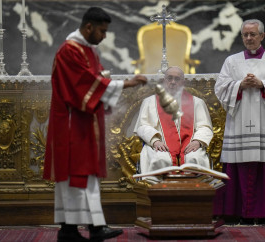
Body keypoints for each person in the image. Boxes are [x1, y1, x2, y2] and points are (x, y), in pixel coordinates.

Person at [43, 7, 147, 242]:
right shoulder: (68, 51)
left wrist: (114, 85)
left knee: (86, 176)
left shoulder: (87, 51)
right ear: (88, 27)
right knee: (75, 176)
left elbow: (96, 81)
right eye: (102, 30)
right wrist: (126, 84)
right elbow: (84, 84)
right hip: (72, 125)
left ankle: (87, 227)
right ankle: (73, 229)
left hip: (85, 123)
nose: (105, 36)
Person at [213, 19, 265, 225]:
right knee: (239, 167)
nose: (249, 38)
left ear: (262, 36)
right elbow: (220, 87)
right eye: (245, 35)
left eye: (253, 34)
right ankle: (241, 213)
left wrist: (262, 84)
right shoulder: (231, 61)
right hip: (239, 123)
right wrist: (239, 85)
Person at [134, 66, 213, 182]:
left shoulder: (197, 102)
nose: (172, 82)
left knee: (194, 158)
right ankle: (158, 194)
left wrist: (198, 141)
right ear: (163, 81)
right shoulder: (149, 102)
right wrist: (155, 140)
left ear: (183, 82)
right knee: (161, 159)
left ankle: (195, 194)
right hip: (160, 144)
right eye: (169, 78)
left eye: (177, 79)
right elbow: (142, 126)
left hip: (189, 144)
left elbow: (204, 127)